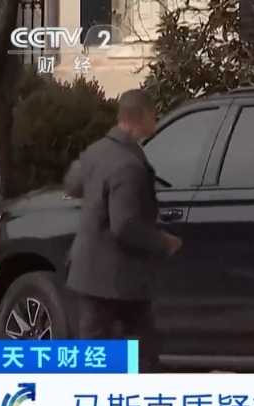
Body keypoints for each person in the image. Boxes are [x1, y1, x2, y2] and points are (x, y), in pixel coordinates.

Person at [63, 89, 182, 373]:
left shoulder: (96, 152)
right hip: (118, 277)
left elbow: (72, 185)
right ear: (141, 117)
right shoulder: (129, 165)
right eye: (154, 114)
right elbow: (125, 225)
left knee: (95, 351)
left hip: (88, 272)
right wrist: (163, 242)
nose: (156, 119)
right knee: (141, 353)